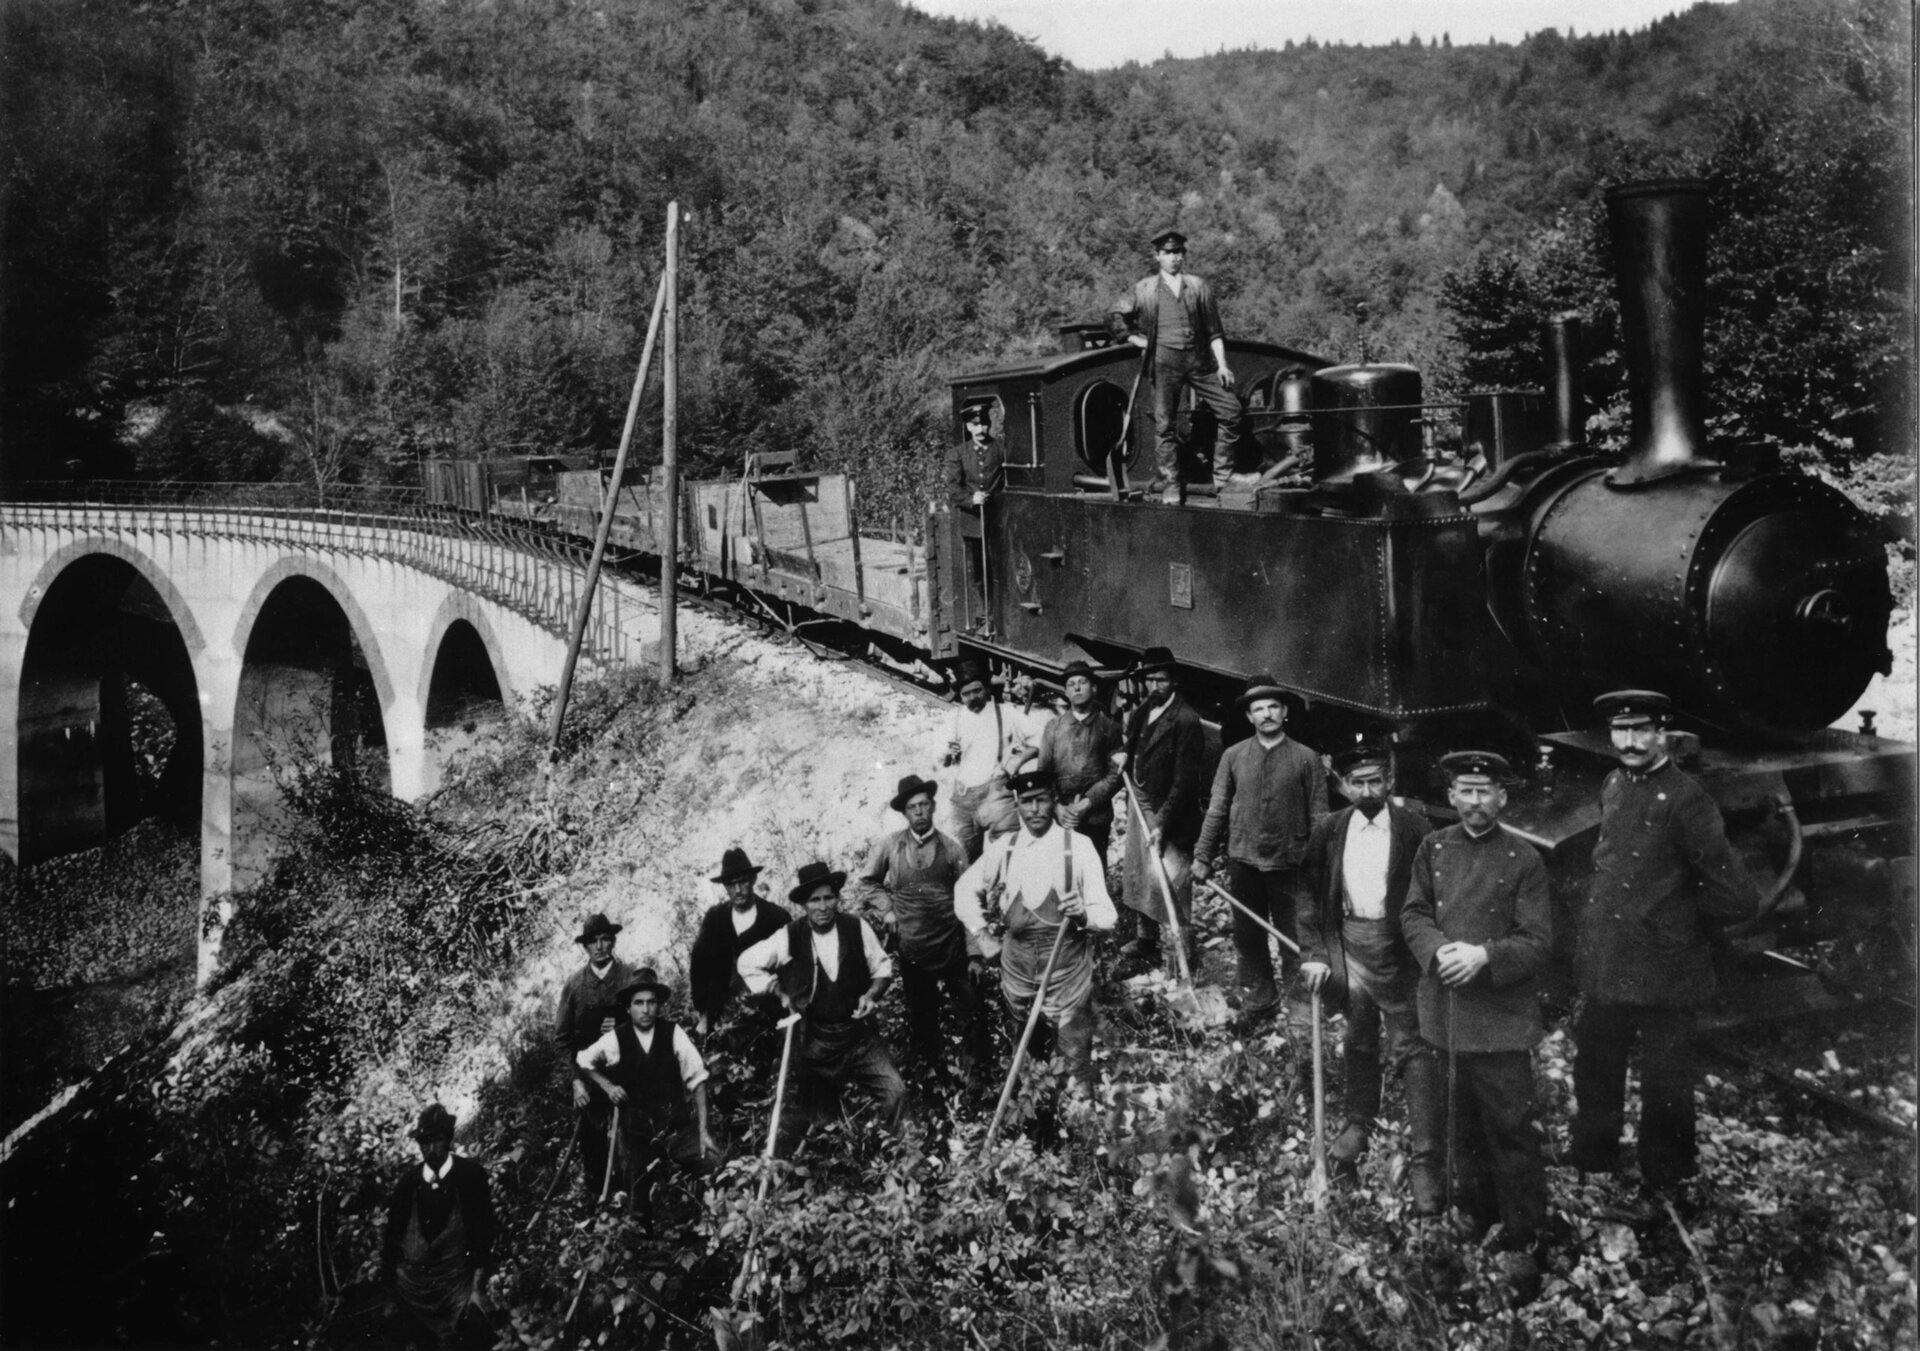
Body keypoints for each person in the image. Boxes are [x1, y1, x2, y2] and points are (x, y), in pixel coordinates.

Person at [1569, 690, 1758, 1201]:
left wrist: (1678, 925)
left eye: (1641, 730)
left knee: (1667, 1077)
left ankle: (1667, 1172)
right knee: (1596, 1060)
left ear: (1663, 733)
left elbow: (1735, 896)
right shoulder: (1613, 784)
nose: (1629, 742)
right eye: (1620, 730)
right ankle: (1594, 1155)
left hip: (1665, 966)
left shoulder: (1687, 798)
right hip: (1611, 957)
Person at [1398, 752, 1552, 1284]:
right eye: (1465, 790)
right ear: (1452, 795)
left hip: (1501, 1021)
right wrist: (1438, 951)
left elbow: (1536, 942)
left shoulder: (1524, 859)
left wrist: (1484, 956)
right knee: (1459, 1127)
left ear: (1502, 798)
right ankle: (1474, 1214)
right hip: (1446, 1016)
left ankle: (1523, 1237)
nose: (1474, 802)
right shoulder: (1433, 848)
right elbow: (1413, 913)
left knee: (1511, 1130)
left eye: (1485, 791)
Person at [1298, 744, 1434, 1188]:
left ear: (1390, 781)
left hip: (1400, 949)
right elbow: (1309, 896)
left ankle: (1427, 1150)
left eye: (1376, 780)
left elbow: (1432, 895)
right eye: (1358, 782)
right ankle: (1359, 1123)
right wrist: (1316, 954)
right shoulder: (1330, 829)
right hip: (1349, 947)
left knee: (1409, 1043)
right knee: (1358, 1038)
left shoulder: (1415, 829)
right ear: (1343, 784)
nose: (1368, 790)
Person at [954, 766, 1117, 1094]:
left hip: (1067, 976)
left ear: (1053, 800)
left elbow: (1108, 916)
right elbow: (963, 890)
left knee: (1075, 1065)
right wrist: (982, 935)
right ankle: (1036, 1119)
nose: (1034, 809)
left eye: (1041, 800)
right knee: (1026, 1062)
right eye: (1026, 801)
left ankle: (1076, 1122)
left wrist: (1084, 915)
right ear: (1016, 804)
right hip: (1018, 977)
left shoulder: (1079, 847)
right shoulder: (1004, 849)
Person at [739, 861, 909, 1154]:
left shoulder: (856, 927)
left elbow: (882, 968)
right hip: (816, 1045)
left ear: (837, 898)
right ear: (804, 905)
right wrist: (778, 991)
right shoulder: (790, 936)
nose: (822, 906)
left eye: (828, 897)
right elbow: (747, 962)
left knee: (896, 1093)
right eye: (814, 900)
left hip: (859, 1038)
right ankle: (838, 1173)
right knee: (821, 1125)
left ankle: (910, 1160)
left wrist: (871, 995)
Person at [1192, 675, 1327, 1019]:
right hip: (1244, 861)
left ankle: (1300, 1010)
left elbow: (1320, 818)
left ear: (1284, 713)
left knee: (1294, 938)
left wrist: (1319, 866)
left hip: (1290, 864)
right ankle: (1259, 1001)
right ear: (1249, 716)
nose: (1266, 714)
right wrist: (1202, 855)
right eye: (1258, 709)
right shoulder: (1233, 756)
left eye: (1272, 707)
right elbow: (1217, 807)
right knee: (1248, 937)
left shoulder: (1307, 758)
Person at [852, 773, 990, 1080]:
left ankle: (976, 1077)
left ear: (933, 806)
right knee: (923, 1019)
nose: (919, 812)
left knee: (972, 1014)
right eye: (912, 807)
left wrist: (974, 954)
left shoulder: (953, 849)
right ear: (904, 812)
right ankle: (934, 1075)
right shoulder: (891, 847)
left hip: (952, 947)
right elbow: (867, 882)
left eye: (924, 804)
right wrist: (887, 910)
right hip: (914, 952)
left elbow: (971, 901)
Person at [1105, 227, 1243, 503]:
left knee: (1232, 411)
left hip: (1199, 360)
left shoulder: (1199, 287)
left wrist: (1223, 365)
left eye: (1178, 252)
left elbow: (1214, 331)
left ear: (1184, 255)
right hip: (1164, 361)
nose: (1174, 258)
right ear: (1157, 256)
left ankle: (1222, 477)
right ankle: (1171, 484)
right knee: (1165, 425)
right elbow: (1114, 314)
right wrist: (1134, 339)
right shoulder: (1144, 289)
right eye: (1168, 253)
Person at [576, 970, 720, 1215]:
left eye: (651, 1002)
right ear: (629, 1007)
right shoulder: (615, 1039)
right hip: (638, 1137)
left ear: (659, 1005)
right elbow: (583, 1061)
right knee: (637, 1209)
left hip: (676, 1128)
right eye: (638, 1003)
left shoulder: (673, 1033)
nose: (645, 1009)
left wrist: (703, 1130)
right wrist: (608, 1086)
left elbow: (698, 1079)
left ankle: (701, 1218)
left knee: (715, 1167)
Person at [1117, 646, 1206, 969]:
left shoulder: (1186, 720)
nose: (1155, 685)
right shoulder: (1145, 708)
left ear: (1174, 681)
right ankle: (1146, 940)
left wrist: (1161, 823)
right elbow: (1132, 740)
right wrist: (1124, 754)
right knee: (1140, 872)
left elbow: (1184, 783)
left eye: (1162, 679)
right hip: (1140, 798)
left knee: (1171, 877)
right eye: (1150, 679)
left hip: (1170, 809)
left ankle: (1179, 957)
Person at [380, 1104, 497, 1349]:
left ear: (449, 1140)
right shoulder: (408, 1184)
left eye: (437, 1141)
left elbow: (484, 1232)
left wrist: (478, 1286)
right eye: (424, 1142)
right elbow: (392, 1239)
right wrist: (391, 1295)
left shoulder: (471, 1175)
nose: (430, 1149)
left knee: (479, 1330)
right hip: (415, 1287)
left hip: (458, 1283)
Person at [554, 913, 636, 1194]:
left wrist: (625, 1025)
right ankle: (601, 1200)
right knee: (593, 1142)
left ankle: (635, 1197)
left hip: (626, 1070)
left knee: (633, 1136)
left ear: (613, 941)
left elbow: (651, 1021)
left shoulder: (629, 977)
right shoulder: (574, 986)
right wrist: (575, 1081)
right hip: (588, 1077)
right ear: (585, 947)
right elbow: (562, 1039)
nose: (600, 946)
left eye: (605, 940)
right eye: (594, 942)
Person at [943, 660, 1040, 862]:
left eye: (977, 691)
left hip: (997, 794)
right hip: (963, 799)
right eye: (966, 694)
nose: (972, 698)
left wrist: (1019, 759)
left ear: (987, 689)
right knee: (966, 860)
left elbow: (1038, 738)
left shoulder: (1006, 712)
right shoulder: (954, 717)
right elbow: (937, 756)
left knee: (1008, 855)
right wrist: (947, 751)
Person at [688, 848, 791, 1037]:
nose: (737, 890)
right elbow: (699, 967)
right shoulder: (715, 919)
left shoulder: (775, 917)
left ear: (753, 880)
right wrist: (703, 1014)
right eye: (731, 884)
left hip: (768, 1012)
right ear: (725, 886)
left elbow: (792, 967)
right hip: (724, 1014)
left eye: (742, 881)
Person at [1034, 660, 1125, 865]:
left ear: (1093, 688)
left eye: (1082, 682)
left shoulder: (1109, 728)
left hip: (1095, 817)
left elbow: (1115, 774)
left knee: (1093, 869)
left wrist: (1087, 803)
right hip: (1061, 816)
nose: (1076, 687)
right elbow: (1043, 773)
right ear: (1066, 692)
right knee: (1061, 872)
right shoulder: (1053, 728)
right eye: (1071, 684)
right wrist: (1057, 807)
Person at [946, 400, 1006, 626]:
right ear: (968, 427)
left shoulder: (1001, 449)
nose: (981, 430)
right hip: (972, 522)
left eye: (984, 424)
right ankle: (986, 613)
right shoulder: (958, 454)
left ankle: (1000, 613)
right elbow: (953, 490)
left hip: (998, 519)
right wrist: (972, 499)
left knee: (999, 567)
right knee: (979, 572)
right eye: (975, 425)